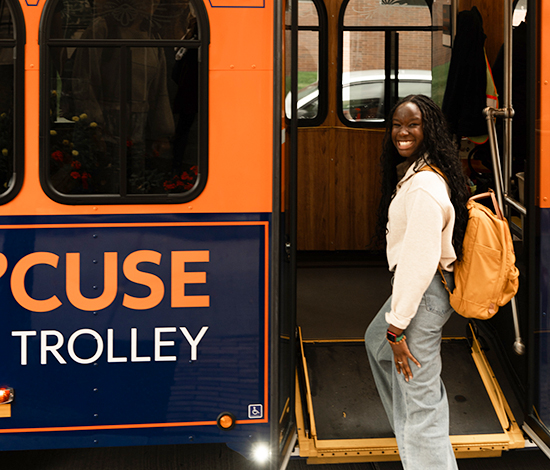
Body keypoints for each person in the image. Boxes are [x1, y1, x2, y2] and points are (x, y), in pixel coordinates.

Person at [365, 95, 469, 469]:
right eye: (396, 124)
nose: (402, 132)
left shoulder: (425, 187)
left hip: (422, 295)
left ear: (429, 131)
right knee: (376, 343)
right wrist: (388, 334)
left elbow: (419, 262)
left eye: (412, 124)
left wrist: (398, 327)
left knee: (420, 397)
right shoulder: (416, 172)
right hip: (419, 292)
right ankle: (412, 432)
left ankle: (423, 446)